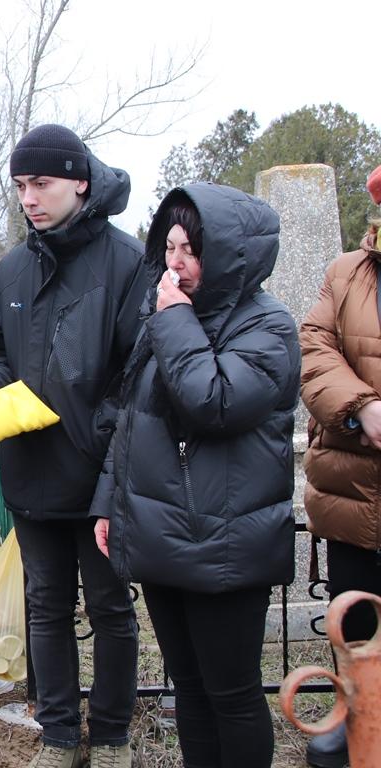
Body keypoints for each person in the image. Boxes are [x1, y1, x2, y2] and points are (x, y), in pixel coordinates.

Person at [92, 183, 300, 768]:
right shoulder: (166, 318)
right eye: (170, 247)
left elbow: (214, 403)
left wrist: (175, 320)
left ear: (231, 255)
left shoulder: (269, 328)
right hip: (162, 529)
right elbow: (133, 419)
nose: (174, 263)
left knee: (230, 694)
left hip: (225, 542)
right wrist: (110, 503)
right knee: (187, 689)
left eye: (191, 250)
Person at [0, 124, 145, 768]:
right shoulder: (14, 264)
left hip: (101, 470)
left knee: (109, 607)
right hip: (31, 465)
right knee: (44, 605)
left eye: (41, 184)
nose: (29, 199)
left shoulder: (126, 261)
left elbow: (136, 373)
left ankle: (112, 735)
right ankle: (58, 735)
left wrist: (99, 440)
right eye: (20, 186)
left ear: (80, 181)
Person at [299, 164, 381, 768]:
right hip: (359, 490)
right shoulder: (347, 274)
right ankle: (361, 720)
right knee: (359, 621)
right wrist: (363, 406)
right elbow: (315, 347)